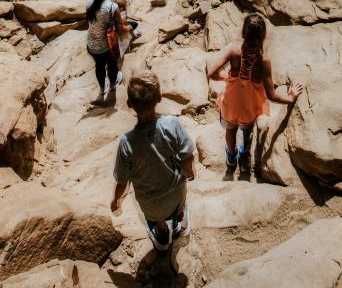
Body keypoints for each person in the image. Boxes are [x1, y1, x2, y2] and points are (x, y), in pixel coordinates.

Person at [206, 13, 303, 174]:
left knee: (230, 130)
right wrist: (291, 97)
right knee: (248, 128)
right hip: (251, 107)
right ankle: (244, 151)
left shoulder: (233, 51)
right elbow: (272, 95)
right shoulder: (264, 61)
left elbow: (212, 73)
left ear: (243, 33)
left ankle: (231, 156)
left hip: (231, 103)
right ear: (264, 36)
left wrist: (227, 78)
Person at [111, 72, 195, 251]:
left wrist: (116, 200)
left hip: (151, 206)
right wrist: (189, 172)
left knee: (145, 206)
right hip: (176, 195)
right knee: (180, 199)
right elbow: (187, 156)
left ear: (129, 104)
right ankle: (180, 219)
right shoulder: (172, 124)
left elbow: (122, 182)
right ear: (159, 98)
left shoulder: (126, 143)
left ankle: (161, 231)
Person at [85, 0, 123, 103]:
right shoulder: (113, 6)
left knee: (99, 66)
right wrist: (130, 28)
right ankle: (112, 84)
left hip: (91, 44)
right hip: (106, 45)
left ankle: (102, 89)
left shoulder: (89, 1)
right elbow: (121, 28)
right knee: (112, 65)